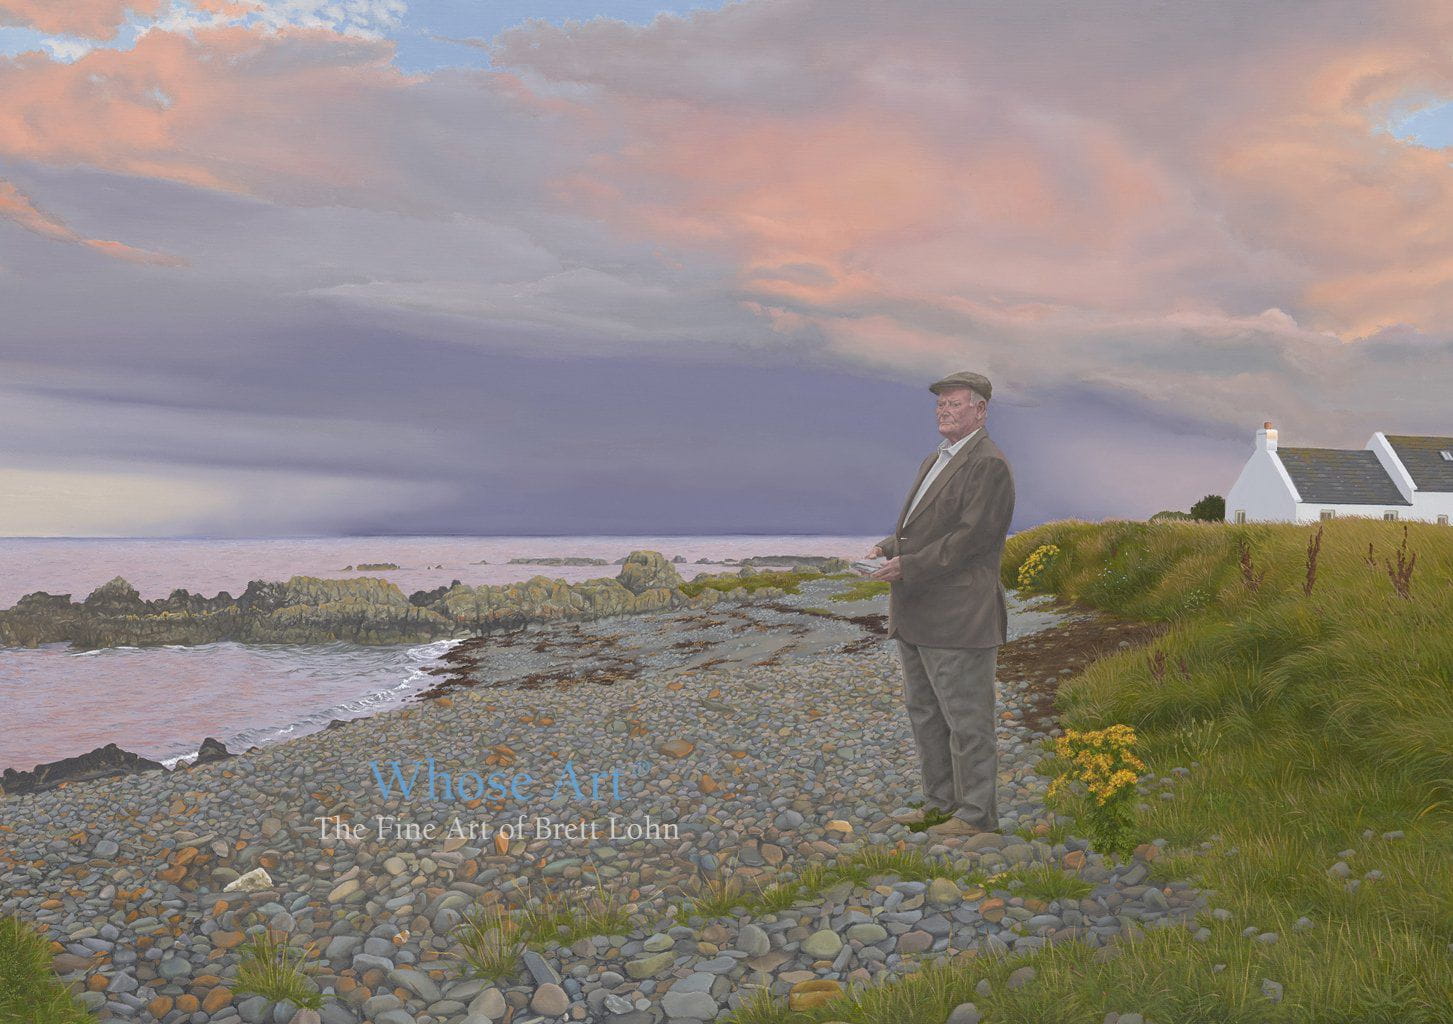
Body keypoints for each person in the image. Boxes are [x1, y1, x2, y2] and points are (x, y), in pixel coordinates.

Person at [866, 371, 1016, 837]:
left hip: (959, 616)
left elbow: (972, 539)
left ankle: (976, 816)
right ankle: (939, 804)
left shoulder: (988, 464)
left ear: (980, 410)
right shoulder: (937, 457)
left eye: (954, 404)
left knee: (968, 720)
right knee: (927, 714)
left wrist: (908, 565)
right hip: (918, 613)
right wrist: (889, 547)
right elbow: (930, 527)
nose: (944, 411)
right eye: (940, 404)